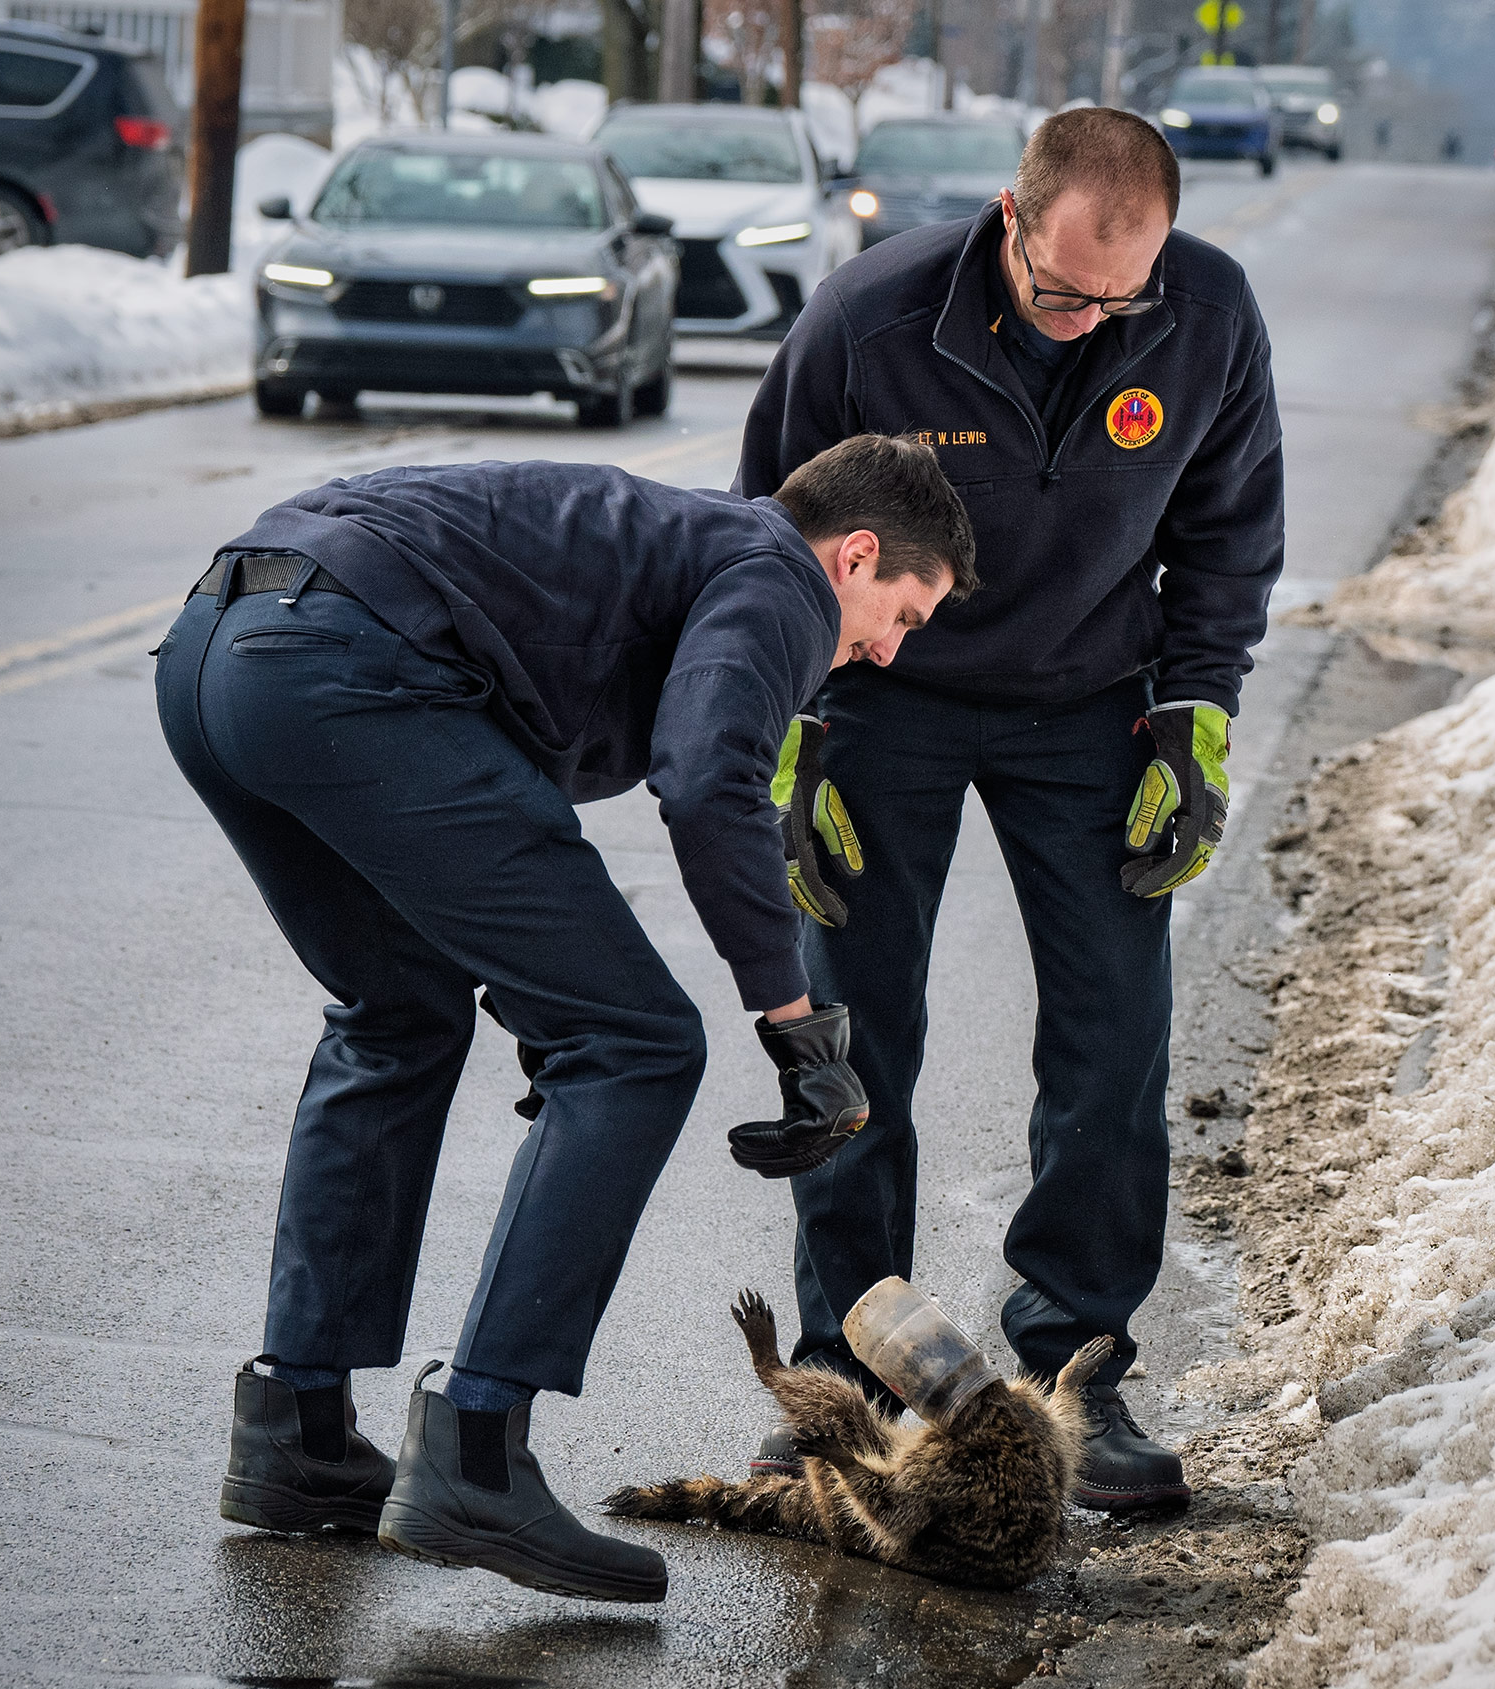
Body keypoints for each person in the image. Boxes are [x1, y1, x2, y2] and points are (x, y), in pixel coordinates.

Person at [153, 437, 976, 1602]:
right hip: (345, 661)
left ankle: (298, 1428)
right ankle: (477, 1445)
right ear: (854, 555)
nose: (888, 649)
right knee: (638, 1044)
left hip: (216, 654)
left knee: (399, 1016)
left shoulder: (676, 547)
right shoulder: (778, 573)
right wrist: (797, 1026)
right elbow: (703, 777)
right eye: (903, 609)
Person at [734, 107, 1284, 1509]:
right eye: (1062, 289)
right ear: (1009, 217)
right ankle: (841, 1382)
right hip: (885, 695)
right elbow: (766, 535)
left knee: (1114, 1033)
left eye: (1123, 295)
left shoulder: (1207, 318)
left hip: (1096, 700)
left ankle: (1077, 1373)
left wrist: (1193, 722)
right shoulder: (872, 321)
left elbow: (1227, 539)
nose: (1090, 320)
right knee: (857, 1036)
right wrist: (787, 744)